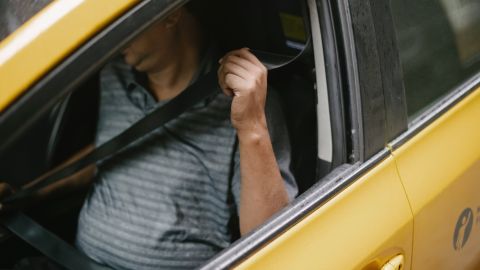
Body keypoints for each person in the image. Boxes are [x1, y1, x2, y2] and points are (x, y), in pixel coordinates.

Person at [0, 4, 297, 270]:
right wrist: (30, 193)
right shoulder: (114, 72)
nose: (110, 37)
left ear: (169, 14)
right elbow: (110, 150)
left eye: (122, 22)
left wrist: (251, 128)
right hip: (73, 260)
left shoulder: (247, 102)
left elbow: (269, 243)